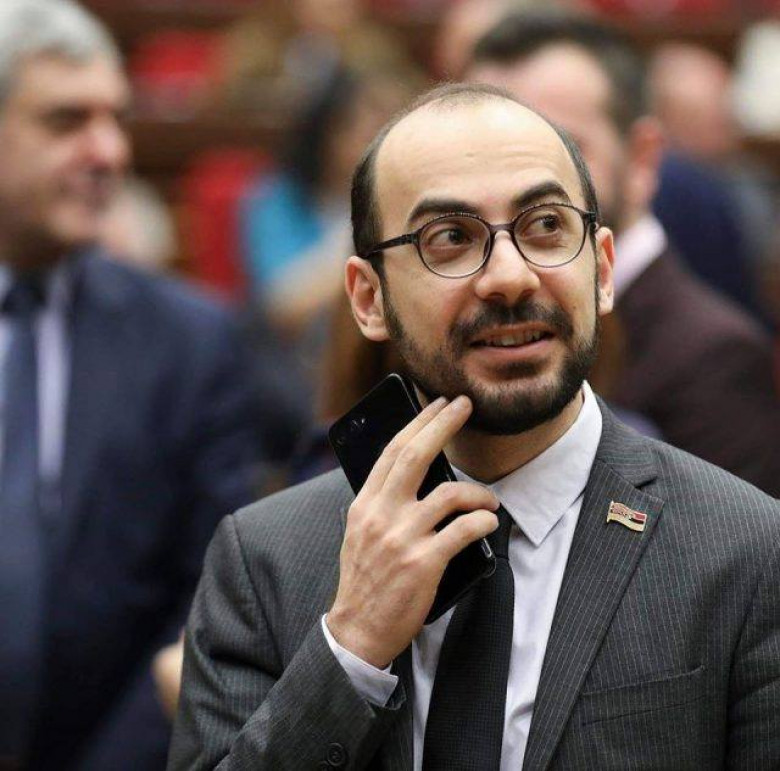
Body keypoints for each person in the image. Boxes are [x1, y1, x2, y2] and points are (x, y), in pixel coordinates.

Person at [169, 83, 780, 770]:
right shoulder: (263, 561)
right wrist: (351, 648)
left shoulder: (749, 554)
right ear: (369, 299)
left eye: (546, 226)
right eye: (451, 239)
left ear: (603, 269)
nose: (510, 277)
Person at [0, 2, 274, 768]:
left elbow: (212, 597)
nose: (110, 151)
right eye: (66, 121)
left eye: (116, 119)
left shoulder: (191, 343)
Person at [468, 11, 780, 496]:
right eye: (482, 152)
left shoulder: (714, 357)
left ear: (641, 158)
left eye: (562, 147)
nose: (517, 180)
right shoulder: (471, 323)